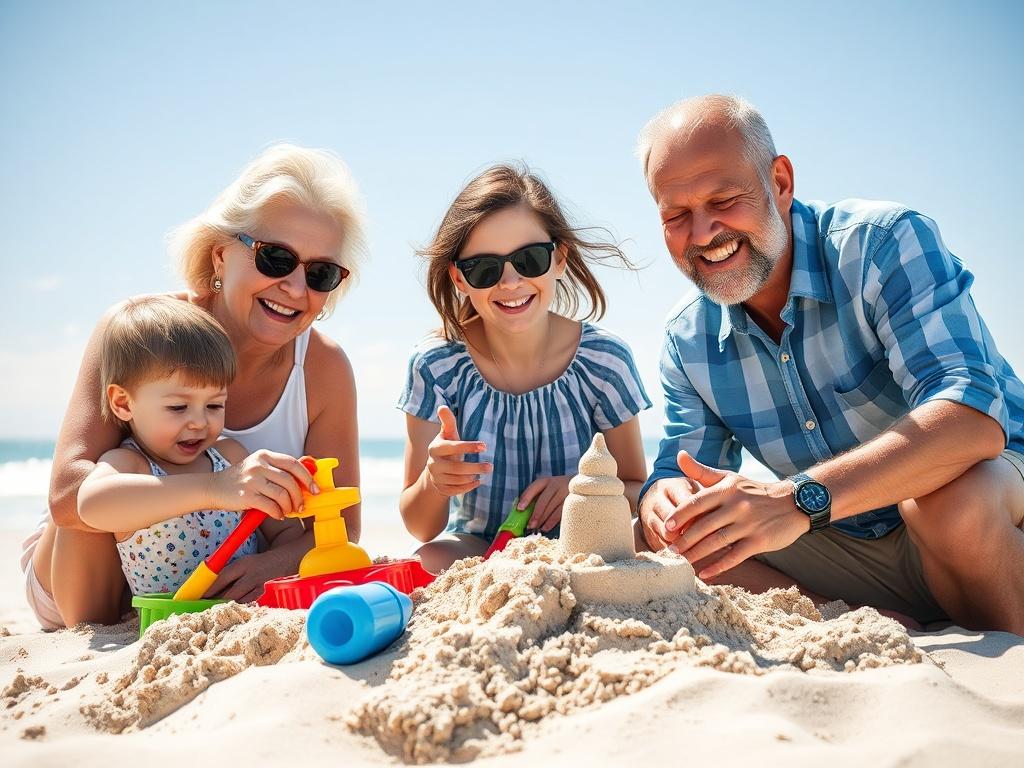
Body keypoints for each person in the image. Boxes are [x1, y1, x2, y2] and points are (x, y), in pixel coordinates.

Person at [635, 94, 1024, 634]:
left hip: (995, 507)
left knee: (947, 503)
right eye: (677, 216)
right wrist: (663, 500)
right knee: (677, 540)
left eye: (724, 199)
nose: (703, 234)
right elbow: (676, 471)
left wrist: (796, 500)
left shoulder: (882, 244)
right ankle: (869, 623)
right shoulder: (687, 341)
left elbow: (972, 418)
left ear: (780, 182)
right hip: (850, 546)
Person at [22, 143, 367, 626]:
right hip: (84, 586)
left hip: (214, 592)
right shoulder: (141, 331)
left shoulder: (324, 368)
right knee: (103, 478)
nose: (295, 287)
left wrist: (269, 565)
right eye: (275, 258)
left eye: (320, 273)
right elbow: (69, 500)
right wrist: (213, 489)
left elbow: (341, 525)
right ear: (220, 254)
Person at [398, 164, 651, 572]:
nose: (511, 282)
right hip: (477, 547)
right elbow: (420, 527)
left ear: (559, 258)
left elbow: (638, 491)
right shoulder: (436, 366)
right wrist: (434, 480)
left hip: (585, 546)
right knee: (425, 561)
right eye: (484, 268)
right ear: (459, 279)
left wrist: (579, 487)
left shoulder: (605, 362)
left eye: (530, 260)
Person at [77, 296, 297, 594]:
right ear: (123, 403)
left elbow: (287, 532)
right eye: (178, 407)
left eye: (215, 405)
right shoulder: (131, 464)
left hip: (240, 612)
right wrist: (214, 489)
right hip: (166, 622)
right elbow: (91, 505)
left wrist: (271, 564)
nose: (199, 422)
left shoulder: (229, 457)